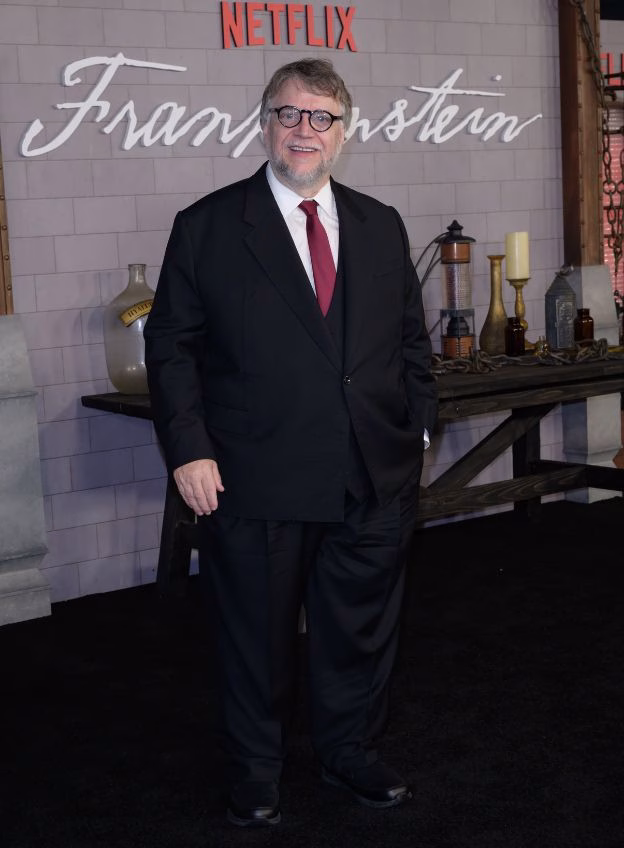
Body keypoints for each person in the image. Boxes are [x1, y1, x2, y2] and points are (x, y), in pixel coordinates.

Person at [144, 57, 438, 828]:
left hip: (371, 472)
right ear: (265, 123)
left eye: (321, 117)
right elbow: (171, 348)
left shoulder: (380, 224)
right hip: (254, 474)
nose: (304, 130)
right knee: (256, 637)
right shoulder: (207, 227)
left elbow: (410, 341)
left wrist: (417, 426)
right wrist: (188, 448)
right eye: (289, 113)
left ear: (344, 132)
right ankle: (255, 769)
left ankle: (350, 752)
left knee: (359, 632)